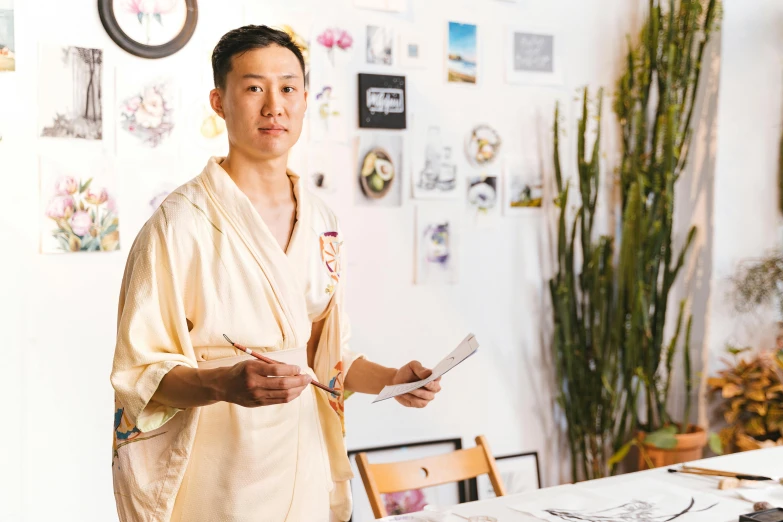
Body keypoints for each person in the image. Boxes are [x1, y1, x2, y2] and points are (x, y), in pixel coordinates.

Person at [110, 24, 442, 522]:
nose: (274, 106)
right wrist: (224, 384)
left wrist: (393, 380)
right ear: (219, 101)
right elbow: (138, 375)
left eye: (287, 88)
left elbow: (324, 355)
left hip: (301, 457)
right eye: (253, 88)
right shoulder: (178, 224)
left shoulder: (322, 221)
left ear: (306, 99)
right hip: (220, 470)